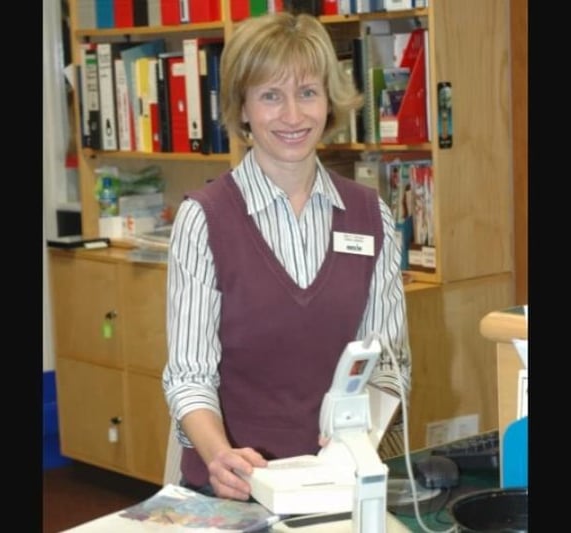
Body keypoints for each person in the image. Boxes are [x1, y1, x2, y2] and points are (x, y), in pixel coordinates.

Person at [162, 11, 412, 502]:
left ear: (329, 101)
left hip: (336, 484)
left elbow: (390, 363)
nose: (293, 116)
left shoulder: (370, 216)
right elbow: (189, 376)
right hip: (234, 489)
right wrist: (220, 456)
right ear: (243, 107)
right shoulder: (203, 220)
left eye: (307, 93)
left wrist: (354, 440)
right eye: (271, 96)